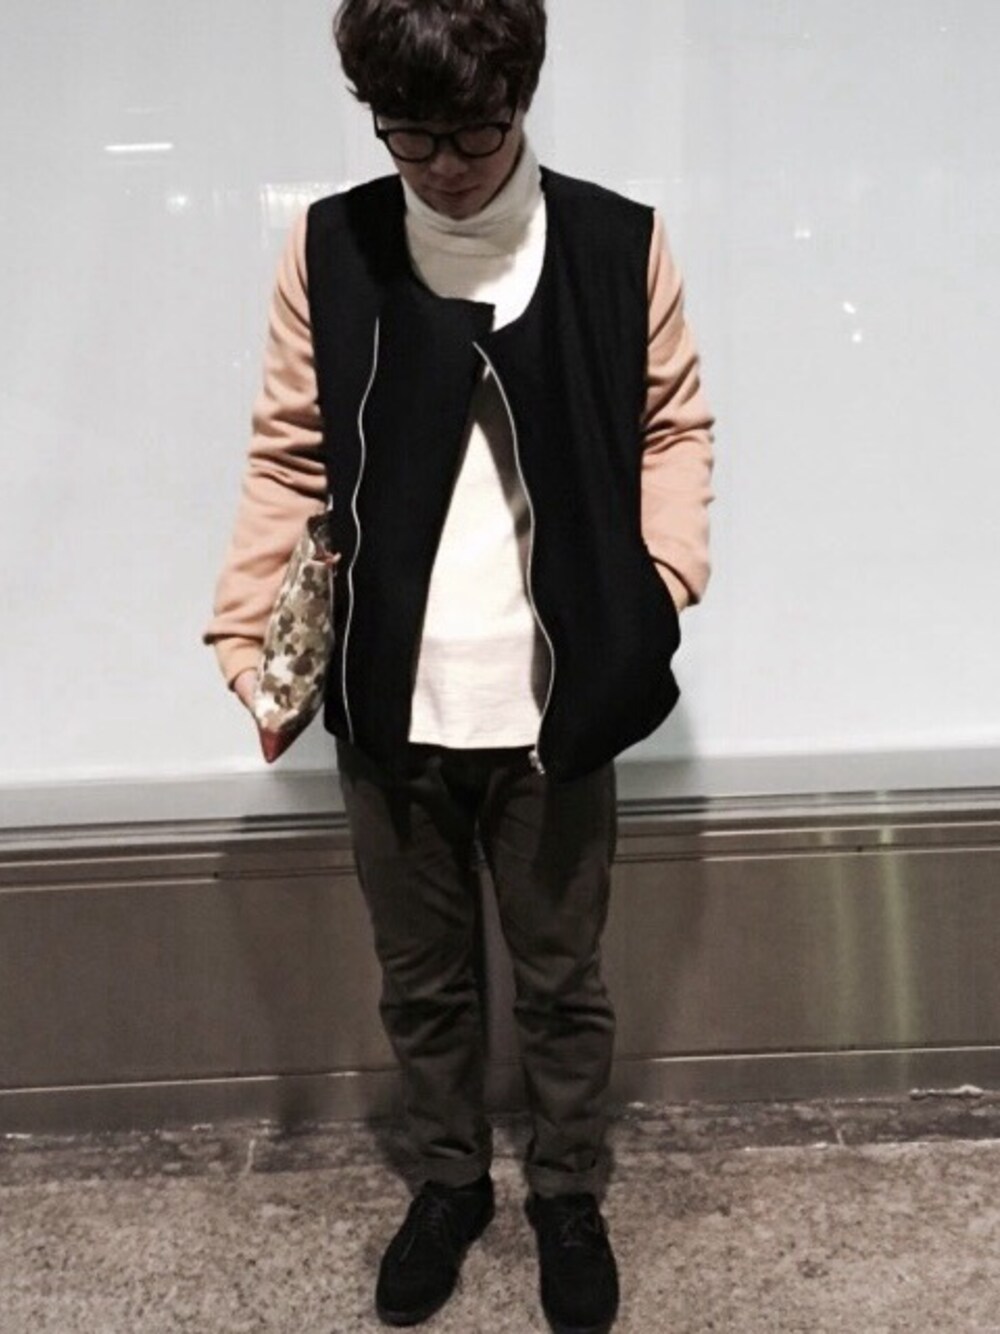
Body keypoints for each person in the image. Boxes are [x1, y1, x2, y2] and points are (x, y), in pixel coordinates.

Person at [202, 1, 715, 1329]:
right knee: (422, 982)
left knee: (562, 982)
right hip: (391, 692)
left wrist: (657, 586)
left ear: (521, 96)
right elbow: (289, 452)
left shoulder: (615, 241)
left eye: (472, 133)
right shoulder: (333, 244)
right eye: (409, 135)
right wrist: (250, 634)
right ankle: (448, 1182)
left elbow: (674, 426)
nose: (441, 165)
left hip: (559, 697)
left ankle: (568, 1192)